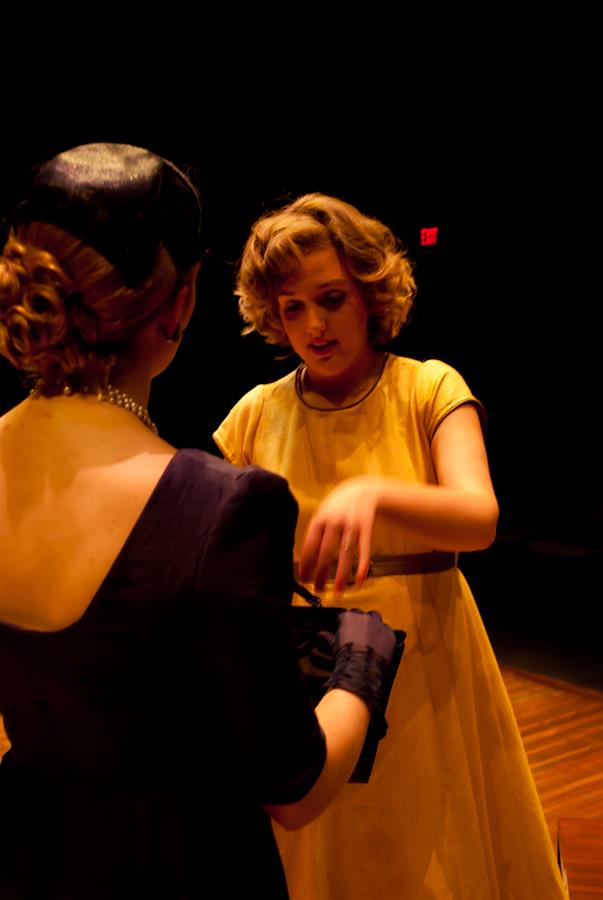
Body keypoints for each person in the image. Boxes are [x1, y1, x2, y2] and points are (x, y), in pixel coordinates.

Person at [0, 148, 399, 900]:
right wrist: (361, 662)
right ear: (180, 303)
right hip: (180, 865)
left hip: (27, 850)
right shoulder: (223, 505)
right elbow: (295, 788)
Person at [213, 193, 568, 899]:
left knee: (429, 851)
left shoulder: (427, 387)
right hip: (309, 670)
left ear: (369, 293)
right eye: (292, 308)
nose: (314, 325)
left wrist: (370, 494)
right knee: (326, 847)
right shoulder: (255, 412)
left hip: (425, 661)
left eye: (332, 298)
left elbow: (478, 518)